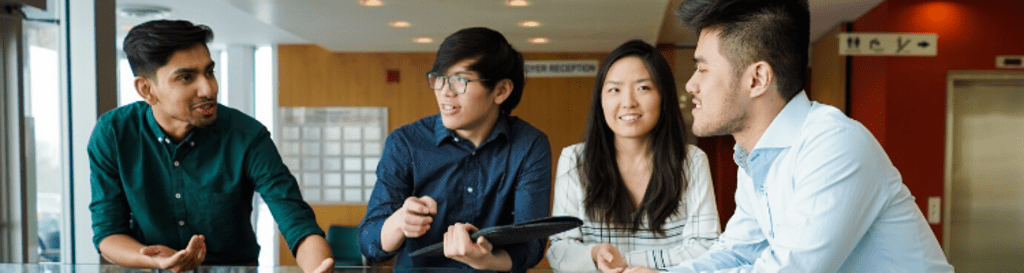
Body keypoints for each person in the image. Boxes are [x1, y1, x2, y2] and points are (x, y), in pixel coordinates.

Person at [622, 0, 955, 272]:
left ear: (757, 79)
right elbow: (738, 251)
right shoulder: (755, 156)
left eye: (703, 69)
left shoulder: (833, 145)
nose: (691, 84)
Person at [88, 20, 333, 273]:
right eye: (186, 77)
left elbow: (296, 221)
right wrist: (155, 261)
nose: (208, 89)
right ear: (146, 89)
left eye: (209, 72)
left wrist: (319, 268)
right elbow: (108, 233)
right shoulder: (113, 133)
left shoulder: (247, 135)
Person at [357, 27, 551, 272]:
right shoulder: (405, 142)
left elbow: (531, 244)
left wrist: (486, 261)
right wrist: (399, 223)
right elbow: (368, 243)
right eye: (439, 78)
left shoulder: (529, 145)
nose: (444, 92)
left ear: (501, 90)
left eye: (461, 80)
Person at [547, 40, 721, 273]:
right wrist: (594, 254)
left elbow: (706, 248)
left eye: (643, 88)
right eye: (614, 90)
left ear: (664, 95)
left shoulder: (691, 161)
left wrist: (627, 261)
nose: (628, 103)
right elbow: (559, 250)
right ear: (600, 99)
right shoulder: (575, 160)